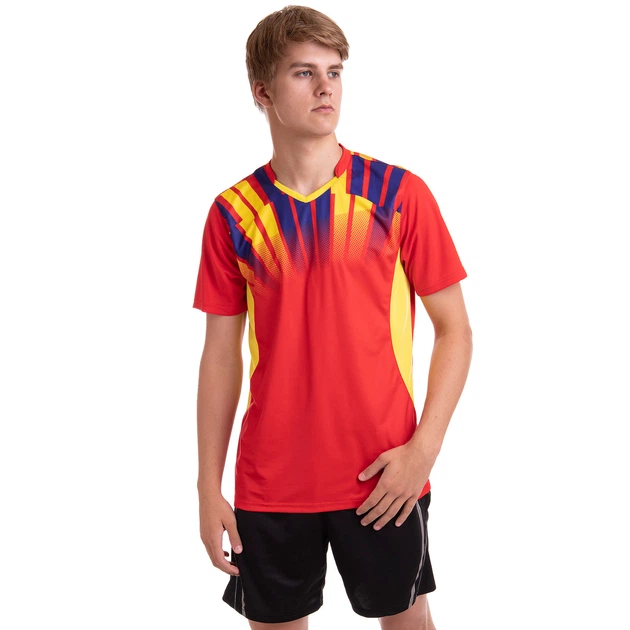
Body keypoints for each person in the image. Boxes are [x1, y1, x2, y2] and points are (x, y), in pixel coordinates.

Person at [193, 5, 472, 629]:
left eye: (335, 71)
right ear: (262, 92)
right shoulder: (233, 213)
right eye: (304, 72)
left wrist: (423, 451)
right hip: (271, 481)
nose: (325, 87)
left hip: (384, 475)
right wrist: (208, 486)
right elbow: (219, 356)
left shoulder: (398, 194)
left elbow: (456, 330)